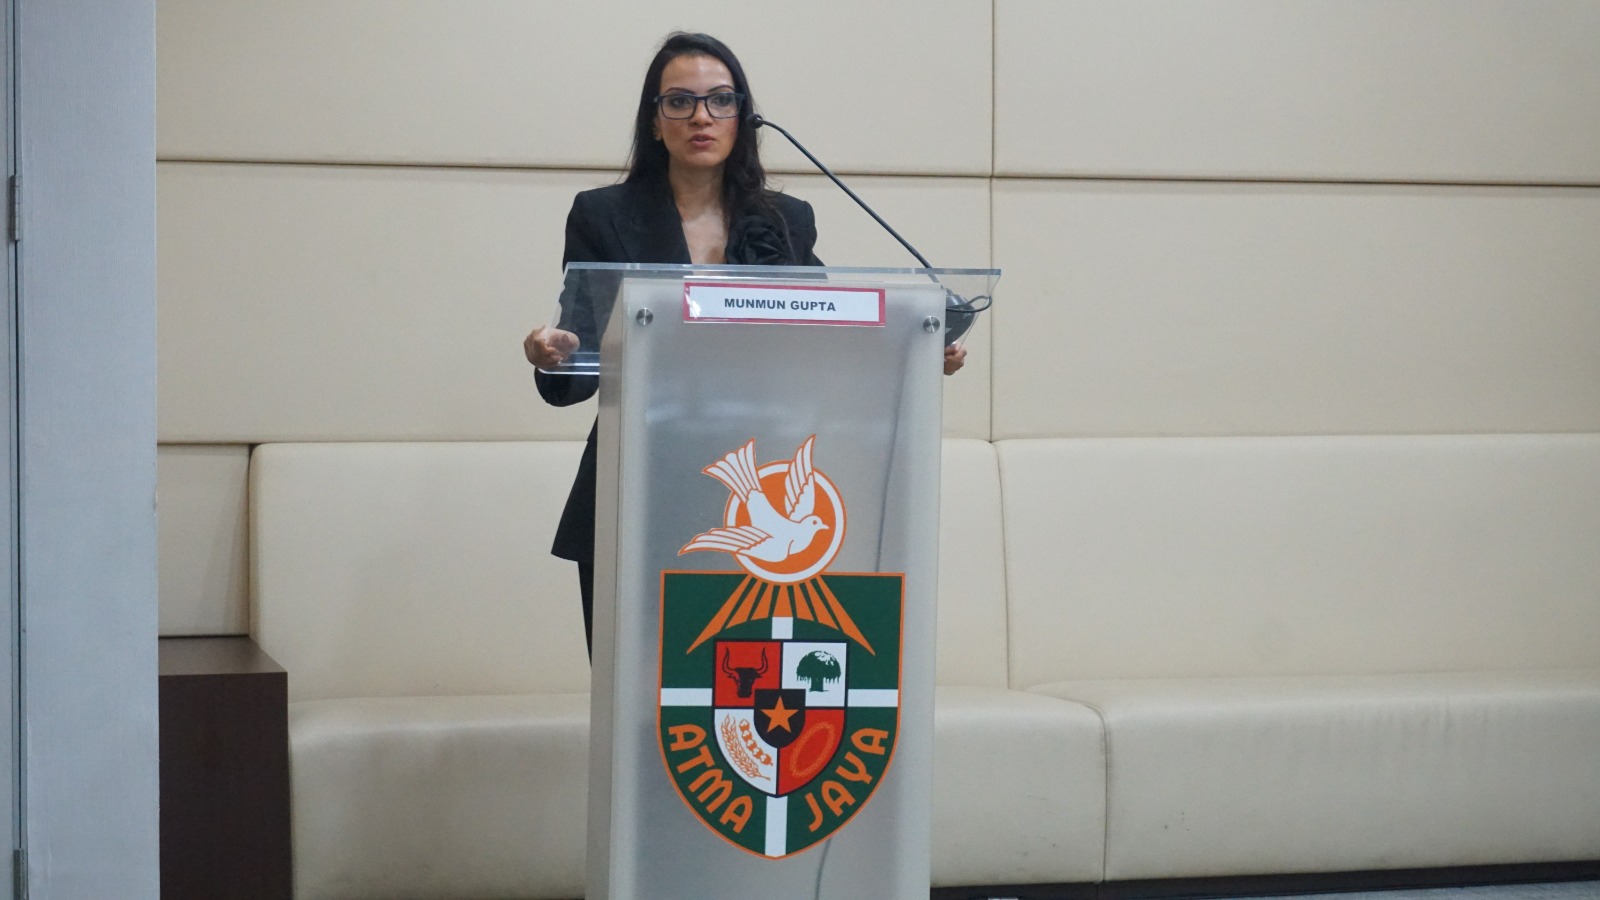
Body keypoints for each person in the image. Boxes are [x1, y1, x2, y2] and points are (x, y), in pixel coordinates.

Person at [523, 32, 966, 655]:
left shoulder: (785, 221)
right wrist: (549, 351)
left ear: (743, 118)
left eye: (720, 101)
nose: (701, 116)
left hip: (758, 491)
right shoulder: (602, 215)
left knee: (733, 697)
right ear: (654, 121)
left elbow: (827, 335)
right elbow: (573, 373)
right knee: (633, 699)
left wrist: (918, 352)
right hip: (633, 484)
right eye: (679, 102)